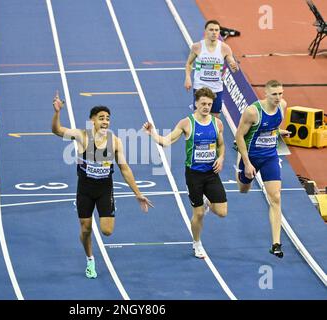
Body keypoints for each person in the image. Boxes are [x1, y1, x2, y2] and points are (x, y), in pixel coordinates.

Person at [51, 92, 153, 279]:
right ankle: (90, 259)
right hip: (85, 189)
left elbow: (125, 169)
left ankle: (96, 224)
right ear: (92, 121)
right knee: (85, 229)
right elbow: (57, 130)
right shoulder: (82, 136)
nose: (105, 122)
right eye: (101, 118)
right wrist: (57, 112)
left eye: (107, 119)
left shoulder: (115, 141)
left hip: (105, 189)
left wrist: (138, 193)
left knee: (107, 231)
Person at [143, 87, 227, 259]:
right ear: (196, 103)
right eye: (203, 103)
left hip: (211, 173)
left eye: (209, 104)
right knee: (199, 214)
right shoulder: (186, 123)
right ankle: (197, 243)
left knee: (222, 212)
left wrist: (221, 158)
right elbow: (166, 142)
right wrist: (152, 133)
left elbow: (221, 145)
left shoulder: (217, 123)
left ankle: (206, 200)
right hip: (194, 175)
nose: (206, 107)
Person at [235, 80, 290, 258]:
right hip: (251, 157)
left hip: (270, 157)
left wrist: (279, 132)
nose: (278, 97)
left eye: (280, 93)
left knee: (275, 197)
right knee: (244, 189)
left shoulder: (283, 106)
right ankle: (239, 163)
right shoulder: (252, 112)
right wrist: (247, 162)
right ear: (265, 93)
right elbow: (239, 135)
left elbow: (274, 127)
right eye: (274, 94)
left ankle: (275, 244)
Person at [184, 19, 238, 118]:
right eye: (211, 30)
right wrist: (187, 78)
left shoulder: (225, 48)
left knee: (215, 119)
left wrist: (234, 67)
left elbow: (233, 66)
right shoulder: (197, 47)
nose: (214, 32)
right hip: (200, 87)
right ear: (206, 31)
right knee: (198, 117)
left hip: (216, 88)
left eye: (217, 30)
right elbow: (189, 63)